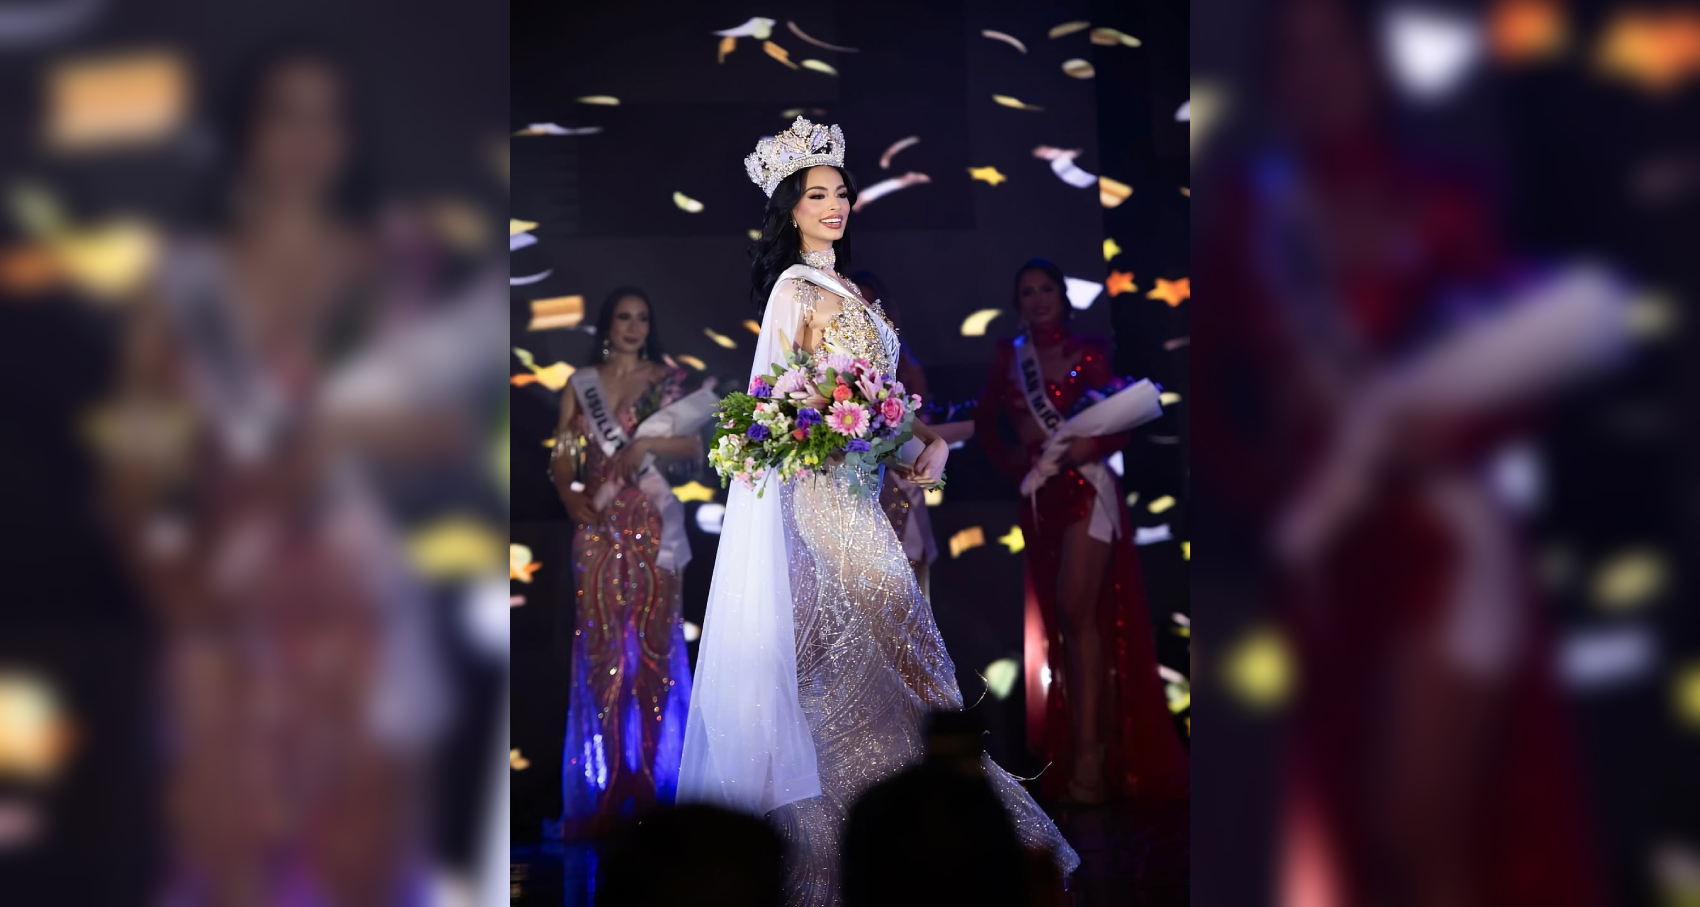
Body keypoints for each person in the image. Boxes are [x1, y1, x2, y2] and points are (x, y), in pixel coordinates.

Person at [1196, 0, 1604, 903]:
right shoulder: (1251, 216)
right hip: (1325, 552)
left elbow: (1529, 369)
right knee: (1362, 837)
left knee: (1419, 822)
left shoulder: (1448, 197)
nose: (1321, 71)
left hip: (1441, 536)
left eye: (1337, 46)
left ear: (1374, 64)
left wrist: (1444, 432)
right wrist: (1275, 486)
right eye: (1296, 54)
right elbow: (1216, 407)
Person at [678, 117, 1078, 907]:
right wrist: (854, 435)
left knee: (863, 673)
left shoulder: (845, 290)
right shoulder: (796, 288)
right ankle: (947, 834)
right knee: (910, 655)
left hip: (865, 496)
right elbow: (781, 408)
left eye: (841, 193)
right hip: (826, 503)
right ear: (790, 209)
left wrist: (916, 449)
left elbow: (870, 408)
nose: (834, 204)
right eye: (816, 195)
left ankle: (904, 846)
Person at [109, 36, 450, 906]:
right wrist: (173, 581)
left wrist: (341, 438)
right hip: (228, 594)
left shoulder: (391, 266)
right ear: (245, 131)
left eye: (328, 117)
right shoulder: (183, 283)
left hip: (360, 595)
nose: (308, 137)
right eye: (285, 113)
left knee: (355, 850)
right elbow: (141, 451)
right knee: (232, 848)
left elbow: (444, 433)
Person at [975, 258, 1188, 804]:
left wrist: (1097, 445)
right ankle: (1081, 747)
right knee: (1066, 621)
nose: (1038, 298)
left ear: (1064, 298)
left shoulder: (1090, 351)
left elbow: (1122, 420)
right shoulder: (1009, 357)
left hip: (1089, 490)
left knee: (1076, 607)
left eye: (1047, 289)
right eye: (1028, 291)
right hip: (1041, 499)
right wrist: (1017, 469)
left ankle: (1092, 756)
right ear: (1017, 302)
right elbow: (987, 429)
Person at [549, 287, 705, 833]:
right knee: (603, 655)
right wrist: (571, 498)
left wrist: (644, 448)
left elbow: (692, 447)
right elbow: (563, 458)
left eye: (643, 317)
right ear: (607, 324)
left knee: (654, 652)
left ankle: (651, 779)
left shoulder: (665, 381)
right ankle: (611, 780)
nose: (633, 327)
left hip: (653, 526)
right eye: (623, 317)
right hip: (597, 527)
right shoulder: (580, 384)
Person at [847, 270, 940, 597]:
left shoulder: (905, 367)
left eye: (872, 305)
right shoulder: (835, 371)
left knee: (904, 586)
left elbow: (917, 418)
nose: (865, 313)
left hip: (899, 479)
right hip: (853, 487)